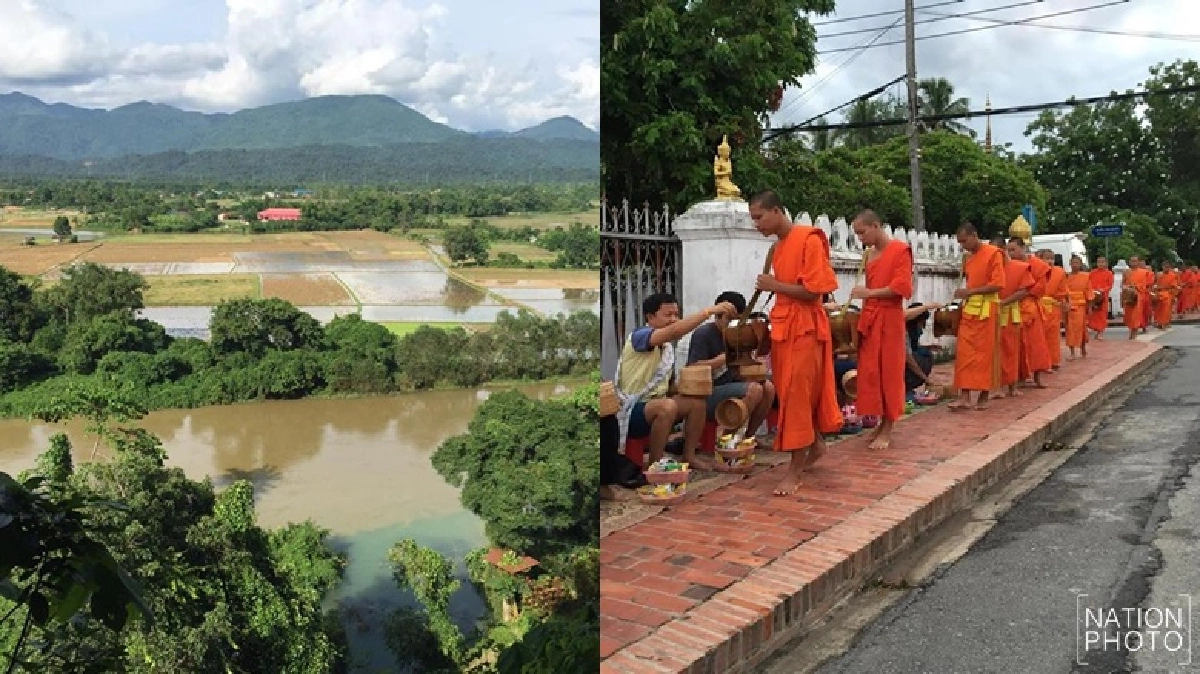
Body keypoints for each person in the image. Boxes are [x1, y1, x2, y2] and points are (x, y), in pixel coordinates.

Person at [749, 191, 843, 496]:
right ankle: (814, 445)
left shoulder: (809, 239)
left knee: (798, 395)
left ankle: (794, 470)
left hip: (805, 328)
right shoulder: (778, 247)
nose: (756, 224)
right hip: (784, 328)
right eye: (753, 219)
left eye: (759, 217)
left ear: (777, 210)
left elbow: (814, 292)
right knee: (791, 394)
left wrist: (774, 285)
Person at [612, 292, 738, 470]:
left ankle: (689, 456)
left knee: (696, 403)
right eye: (668, 315)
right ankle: (655, 464)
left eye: (676, 315)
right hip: (631, 409)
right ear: (650, 317)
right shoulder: (640, 335)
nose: (674, 319)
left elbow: (669, 388)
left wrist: (690, 386)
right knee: (666, 406)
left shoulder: (667, 348)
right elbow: (674, 331)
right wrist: (709, 311)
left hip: (655, 406)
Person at [848, 209, 913, 450]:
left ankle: (888, 426)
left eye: (862, 233)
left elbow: (901, 287)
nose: (860, 238)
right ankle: (879, 420)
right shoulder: (869, 255)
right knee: (870, 372)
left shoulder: (900, 250)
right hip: (871, 319)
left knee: (889, 372)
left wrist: (869, 294)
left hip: (890, 319)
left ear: (875, 226)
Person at [685, 290, 777, 437]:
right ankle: (729, 439)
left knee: (768, 388)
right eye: (729, 320)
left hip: (731, 384)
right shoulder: (703, 334)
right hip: (709, 392)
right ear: (718, 316)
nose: (733, 324)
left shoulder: (738, 333)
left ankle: (748, 437)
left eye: (738, 320)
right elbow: (692, 368)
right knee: (754, 390)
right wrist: (721, 359)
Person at [949, 223, 1005, 412]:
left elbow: (997, 284)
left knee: (985, 354)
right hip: (970, 309)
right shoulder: (968, 259)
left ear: (975, 235)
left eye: (965, 241)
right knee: (964, 353)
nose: (963, 245)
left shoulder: (994, 253)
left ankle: (983, 396)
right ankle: (964, 396)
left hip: (988, 308)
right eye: (960, 242)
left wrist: (970, 291)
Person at [1007, 238, 1053, 389]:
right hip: (1013, 307)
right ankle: (1019, 377)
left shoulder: (1038, 265)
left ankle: (1038, 377)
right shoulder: (1009, 265)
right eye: (1009, 250)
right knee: (1016, 345)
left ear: (1023, 248)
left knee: (1036, 345)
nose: (1011, 253)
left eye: (1013, 250)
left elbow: (1040, 287)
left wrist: (1023, 293)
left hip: (1030, 307)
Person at [997, 242, 1033, 398]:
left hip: (1011, 314)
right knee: (994, 353)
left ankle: (1012, 386)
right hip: (990, 313)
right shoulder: (991, 269)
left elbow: (1024, 291)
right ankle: (996, 387)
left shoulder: (1019, 268)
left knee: (1011, 351)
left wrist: (1004, 303)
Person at [1037, 249, 1067, 370]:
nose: (1050, 261)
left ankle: (1053, 361)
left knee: (1053, 336)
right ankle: (1041, 362)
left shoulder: (1060, 272)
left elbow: (1063, 291)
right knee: (1039, 336)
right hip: (1038, 307)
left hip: (1053, 307)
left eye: (1052, 258)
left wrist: (1063, 302)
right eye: (1047, 258)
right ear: (1041, 259)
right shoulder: (1036, 270)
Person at [903, 303, 938, 393]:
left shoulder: (910, 331)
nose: (922, 327)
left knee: (924, 352)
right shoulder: (903, 331)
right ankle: (905, 386)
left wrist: (929, 347)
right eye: (921, 323)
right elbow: (909, 360)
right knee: (924, 357)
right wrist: (925, 379)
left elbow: (911, 347)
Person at [1122, 256, 1153, 339]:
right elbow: (1123, 283)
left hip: (1138, 296)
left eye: (1135, 261)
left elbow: (1144, 285)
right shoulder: (1126, 272)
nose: (1133, 263)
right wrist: (1125, 288)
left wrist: (1136, 287)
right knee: (1128, 316)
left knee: (1136, 316)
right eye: (1132, 261)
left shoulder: (1144, 272)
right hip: (1128, 295)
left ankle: (1134, 333)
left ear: (1138, 262)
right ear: (1129, 262)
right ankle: (1131, 330)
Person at [1088, 256, 1114, 340]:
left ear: (1106, 263)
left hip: (1103, 297)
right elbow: (1088, 283)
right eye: (1099, 262)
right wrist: (1092, 290)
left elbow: (1110, 285)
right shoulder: (1092, 273)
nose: (1101, 264)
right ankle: (1096, 330)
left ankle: (1100, 332)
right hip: (1093, 296)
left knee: (1102, 315)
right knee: (1093, 315)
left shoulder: (1109, 273)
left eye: (1103, 262)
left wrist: (1102, 290)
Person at [1153, 260, 1179, 329]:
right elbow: (1154, 284)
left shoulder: (1173, 276)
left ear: (1169, 267)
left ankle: (1164, 323)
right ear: (1162, 267)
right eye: (1165, 267)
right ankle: (1159, 322)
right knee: (1158, 309)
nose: (1166, 268)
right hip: (1159, 294)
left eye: (1167, 267)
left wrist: (1173, 295)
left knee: (1166, 310)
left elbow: (1174, 286)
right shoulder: (1158, 275)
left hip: (1168, 294)